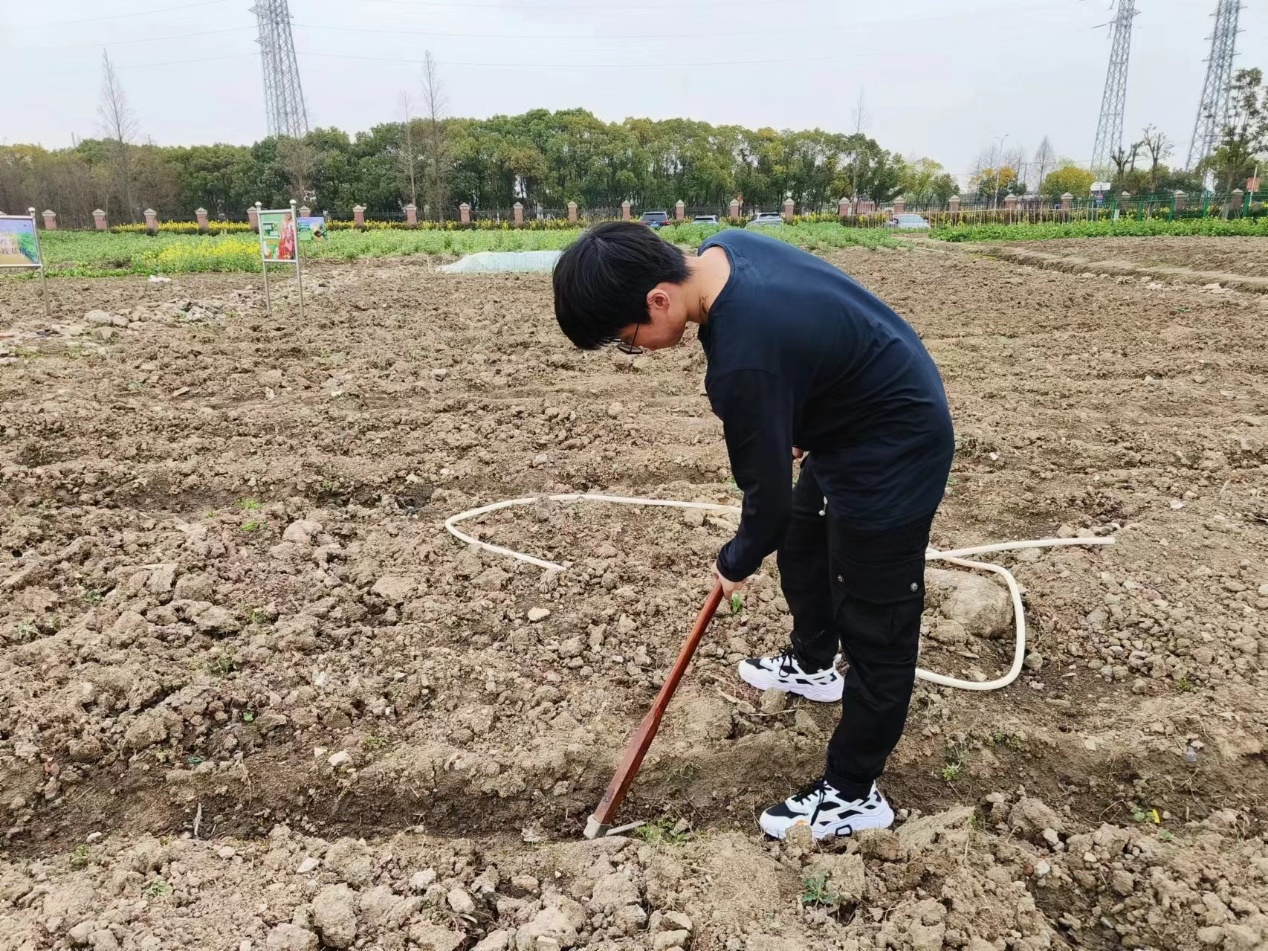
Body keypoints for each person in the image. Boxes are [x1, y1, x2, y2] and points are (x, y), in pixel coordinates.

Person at [551, 222, 955, 841]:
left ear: (658, 298)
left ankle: (853, 793)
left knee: (877, 623)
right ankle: (814, 664)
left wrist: (734, 560)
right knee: (805, 539)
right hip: (852, 417)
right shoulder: (726, 250)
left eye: (627, 340)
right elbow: (803, 343)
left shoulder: (743, 362)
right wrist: (793, 414)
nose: (637, 350)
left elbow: (765, 509)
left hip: (893, 444)